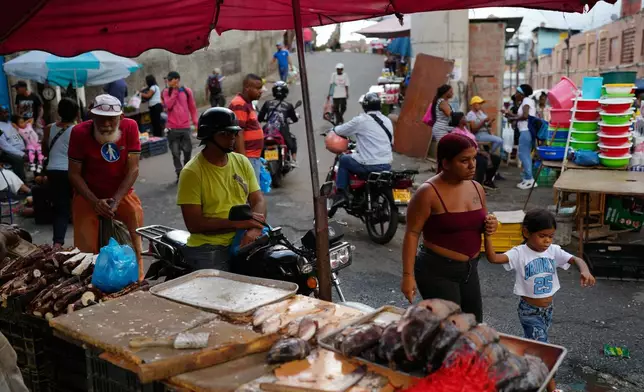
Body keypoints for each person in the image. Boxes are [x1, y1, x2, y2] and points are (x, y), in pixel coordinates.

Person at [484, 208, 595, 392]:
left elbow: (576, 259)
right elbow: (493, 257)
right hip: (529, 312)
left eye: (551, 236)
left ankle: (523, 372)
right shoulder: (519, 253)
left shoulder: (552, 251)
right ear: (526, 232)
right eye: (543, 236)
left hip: (547, 310)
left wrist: (585, 270)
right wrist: (488, 236)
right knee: (544, 352)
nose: (547, 241)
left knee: (536, 350)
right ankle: (551, 388)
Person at [400, 133, 499, 322]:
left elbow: (482, 221)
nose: (472, 165)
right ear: (445, 163)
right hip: (437, 271)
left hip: (470, 269)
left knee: (473, 324)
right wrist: (407, 276)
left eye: (473, 159)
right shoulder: (428, 193)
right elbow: (412, 234)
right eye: (464, 160)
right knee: (449, 328)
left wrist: (490, 224)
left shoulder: (477, 188)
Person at [177, 107, 267, 270]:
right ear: (209, 137)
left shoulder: (241, 161)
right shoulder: (192, 173)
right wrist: (236, 223)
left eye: (234, 133)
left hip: (243, 237)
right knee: (224, 291)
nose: (232, 138)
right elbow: (194, 224)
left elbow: (258, 199)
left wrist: (253, 229)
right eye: (225, 134)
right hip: (209, 246)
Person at [68, 94, 145, 280]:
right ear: (92, 117)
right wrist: (95, 202)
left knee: (134, 238)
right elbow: (74, 174)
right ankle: (89, 285)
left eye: (111, 119)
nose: (106, 125)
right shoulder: (79, 132)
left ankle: (137, 279)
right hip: (88, 197)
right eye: (101, 119)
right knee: (86, 251)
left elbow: (133, 169)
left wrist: (116, 200)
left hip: (121, 194)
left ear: (121, 117)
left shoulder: (130, 127)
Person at [328, 92, 393, 207]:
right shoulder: (387, 121)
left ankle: (341, 194)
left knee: (343, 159)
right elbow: (391, 142)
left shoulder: (361, 120)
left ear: (364, 106)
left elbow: (341, 130)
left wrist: (332, 129)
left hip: (368, 165)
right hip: (386, 165)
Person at [42, 98, 78, 249]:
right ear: (76, 114)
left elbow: (45, 151)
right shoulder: (77, 130)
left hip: (53, 171)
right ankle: (84, 241)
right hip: (71, 171)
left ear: (59, 112)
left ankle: (57, 244)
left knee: (60, 209)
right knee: (78, 205)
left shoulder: (49, 128)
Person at [162, 71, 199, 182]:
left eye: (170, 80)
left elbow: (192, 108)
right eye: (167, 80)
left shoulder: (187, 91)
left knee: (187, 151)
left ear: (177, 80)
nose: (168, 82)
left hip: (185, 127)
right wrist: (174, 92)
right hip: (172, 128)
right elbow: (168, 105)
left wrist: (196, 122)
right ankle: (179, 173)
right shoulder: (166, 92)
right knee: (175, 153)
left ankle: (186, 171)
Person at [450, 112, 500, 190]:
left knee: (496, 159)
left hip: (475, 151)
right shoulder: (456, 132)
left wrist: (481, 150)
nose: (466, 119)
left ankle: (488, 181)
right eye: (464, 118)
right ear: (459, 120)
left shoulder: (465, 129)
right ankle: (478, 186)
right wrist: (480, 152)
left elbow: (474, 141)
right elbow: (463, 147)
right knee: (482, 162)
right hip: (467, 154)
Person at [229, 74, 264, 183]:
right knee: (251, 195)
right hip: (248, 158)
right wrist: (244, 162)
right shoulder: (239, 104)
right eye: (258, 88)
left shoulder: (247, 104)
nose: (261, 91)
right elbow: (238, 133)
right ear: (247, 88)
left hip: (253, 157)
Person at [504, 84, 536, 190]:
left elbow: (525, 116)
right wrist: (510, 115)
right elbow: (522, 116)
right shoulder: (526, 101)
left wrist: (514, 118)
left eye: (517, 92)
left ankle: (530, 179)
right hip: (526, 131)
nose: (515, 94)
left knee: (524, 155)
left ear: (522, 94)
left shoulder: (526, 101)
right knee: (524, 155)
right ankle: (527, 179)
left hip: (526, 131)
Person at [258, 81, 299, 164]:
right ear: (285, 92)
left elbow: (259, 118)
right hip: (282, 129)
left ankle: (258, 158)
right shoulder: (288, 105)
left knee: (259, 140)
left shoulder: (267, 103)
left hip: (268, 128)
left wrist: (265, 119)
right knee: (292, 139)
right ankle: (294, 159)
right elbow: (294, 119)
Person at [0, 106, 27, 181]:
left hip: (20, 150)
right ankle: (21, 184)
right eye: (4, 112)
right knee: (18, 160)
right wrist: (21, 154)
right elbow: (4, 146)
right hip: (7, 153)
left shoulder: (11, 124)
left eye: (7, 112)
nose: (7, 114)